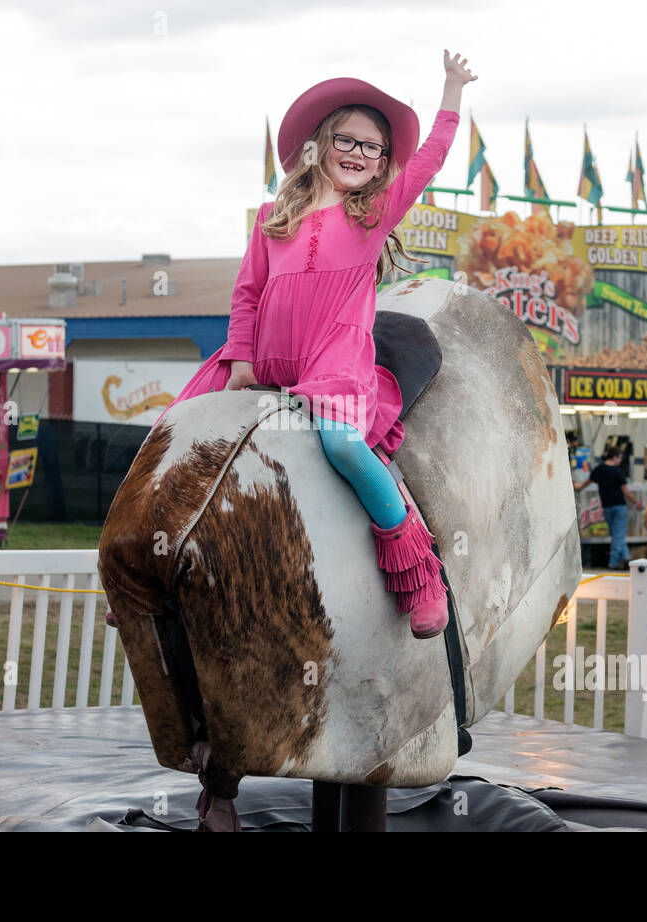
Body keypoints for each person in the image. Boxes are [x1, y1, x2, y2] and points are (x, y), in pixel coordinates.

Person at [161, 52, 476, 640]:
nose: (359, 154)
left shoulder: (374, 214)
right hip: (268, 359)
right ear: (321, 145)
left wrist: (452, 91)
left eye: (373, 148)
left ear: (384, 163)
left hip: (333, 361)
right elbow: (247, 293)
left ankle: (420, 579)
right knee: (177, 432)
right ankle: (157, 578)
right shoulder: (271, 217)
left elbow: (430, 158)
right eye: (347, 140)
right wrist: (240, 361)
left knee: (346, 448)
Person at [574, 446, 642, 569]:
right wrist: (637, 502)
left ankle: (626, 558)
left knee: (616, 535)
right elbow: (626, 491)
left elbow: (586, 483)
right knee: (618, 535)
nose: (620, 461)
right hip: (619, 506)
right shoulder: (618, 472)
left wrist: (578, 487)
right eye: (620, 458)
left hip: (607, 507)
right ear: (615, 456)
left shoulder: (599, 470)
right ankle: (613, 563)